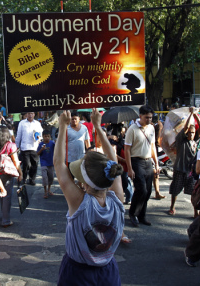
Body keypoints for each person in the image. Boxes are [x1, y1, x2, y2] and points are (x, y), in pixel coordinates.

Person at [54, 109, 124, 285]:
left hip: (77, 273)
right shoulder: (117, 198)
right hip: (108, 270)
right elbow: (112, 159)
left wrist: (62, 126)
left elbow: (58, 164)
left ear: (85, 181)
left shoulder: (79, 202)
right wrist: (98, 128)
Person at [125, 105, 159, 227]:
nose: (149, 120)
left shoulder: (151, 128)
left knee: (148, 191)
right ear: (140, 116)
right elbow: (127, 149)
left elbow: (153, 146)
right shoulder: (132, 129)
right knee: (141, 190)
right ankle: (133, 213)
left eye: (151, 117)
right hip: (136, 161)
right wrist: (129, 169)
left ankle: (142, 215)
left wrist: (157, 163)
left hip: (148, 161)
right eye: (147, 117)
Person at [168, 107, 200, 216]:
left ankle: (195, 211)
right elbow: (186, 127)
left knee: (194, 191)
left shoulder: (195, 141)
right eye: (189, 133)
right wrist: (190, 115)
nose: (190, 134)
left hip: (191, 171)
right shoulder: (181, 140)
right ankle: (172, 207)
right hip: (180, 169)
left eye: (192, 133)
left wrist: (196, 115)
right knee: (175, 189)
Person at [0, 126, 23, 227]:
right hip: (7, 174)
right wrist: (20, 173)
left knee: (2, 193)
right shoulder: (11, 146)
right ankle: (6, 220)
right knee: (7, 197)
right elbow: (16, 161)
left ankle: (4, 214)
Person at [16, 112, 43, 185]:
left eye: (32, 113)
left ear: (34, 114)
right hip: (25, 147)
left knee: (34, 164)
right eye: (29, 113)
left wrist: (39, 138)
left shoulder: (37, 123)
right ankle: (24, 178)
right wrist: (17, 146)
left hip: (34, 147)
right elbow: (19, 135)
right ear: (26, 114)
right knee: (26, 164)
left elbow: (41, 134)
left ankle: (32, 179)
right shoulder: (22, 123)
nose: (30, 115)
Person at [37, 130, 55, 199]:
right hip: (43, 163)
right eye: (45, 136)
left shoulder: (52, 143)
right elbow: (37, 153)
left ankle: (49, 189)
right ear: (43, 136)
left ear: (50, 137)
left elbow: (56, 149)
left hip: (50, 163)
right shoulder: (41, 144)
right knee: (44, 177)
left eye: (48, 136)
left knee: (51, 178)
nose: (47, 138)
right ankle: (45, 191)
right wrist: (41, 149)